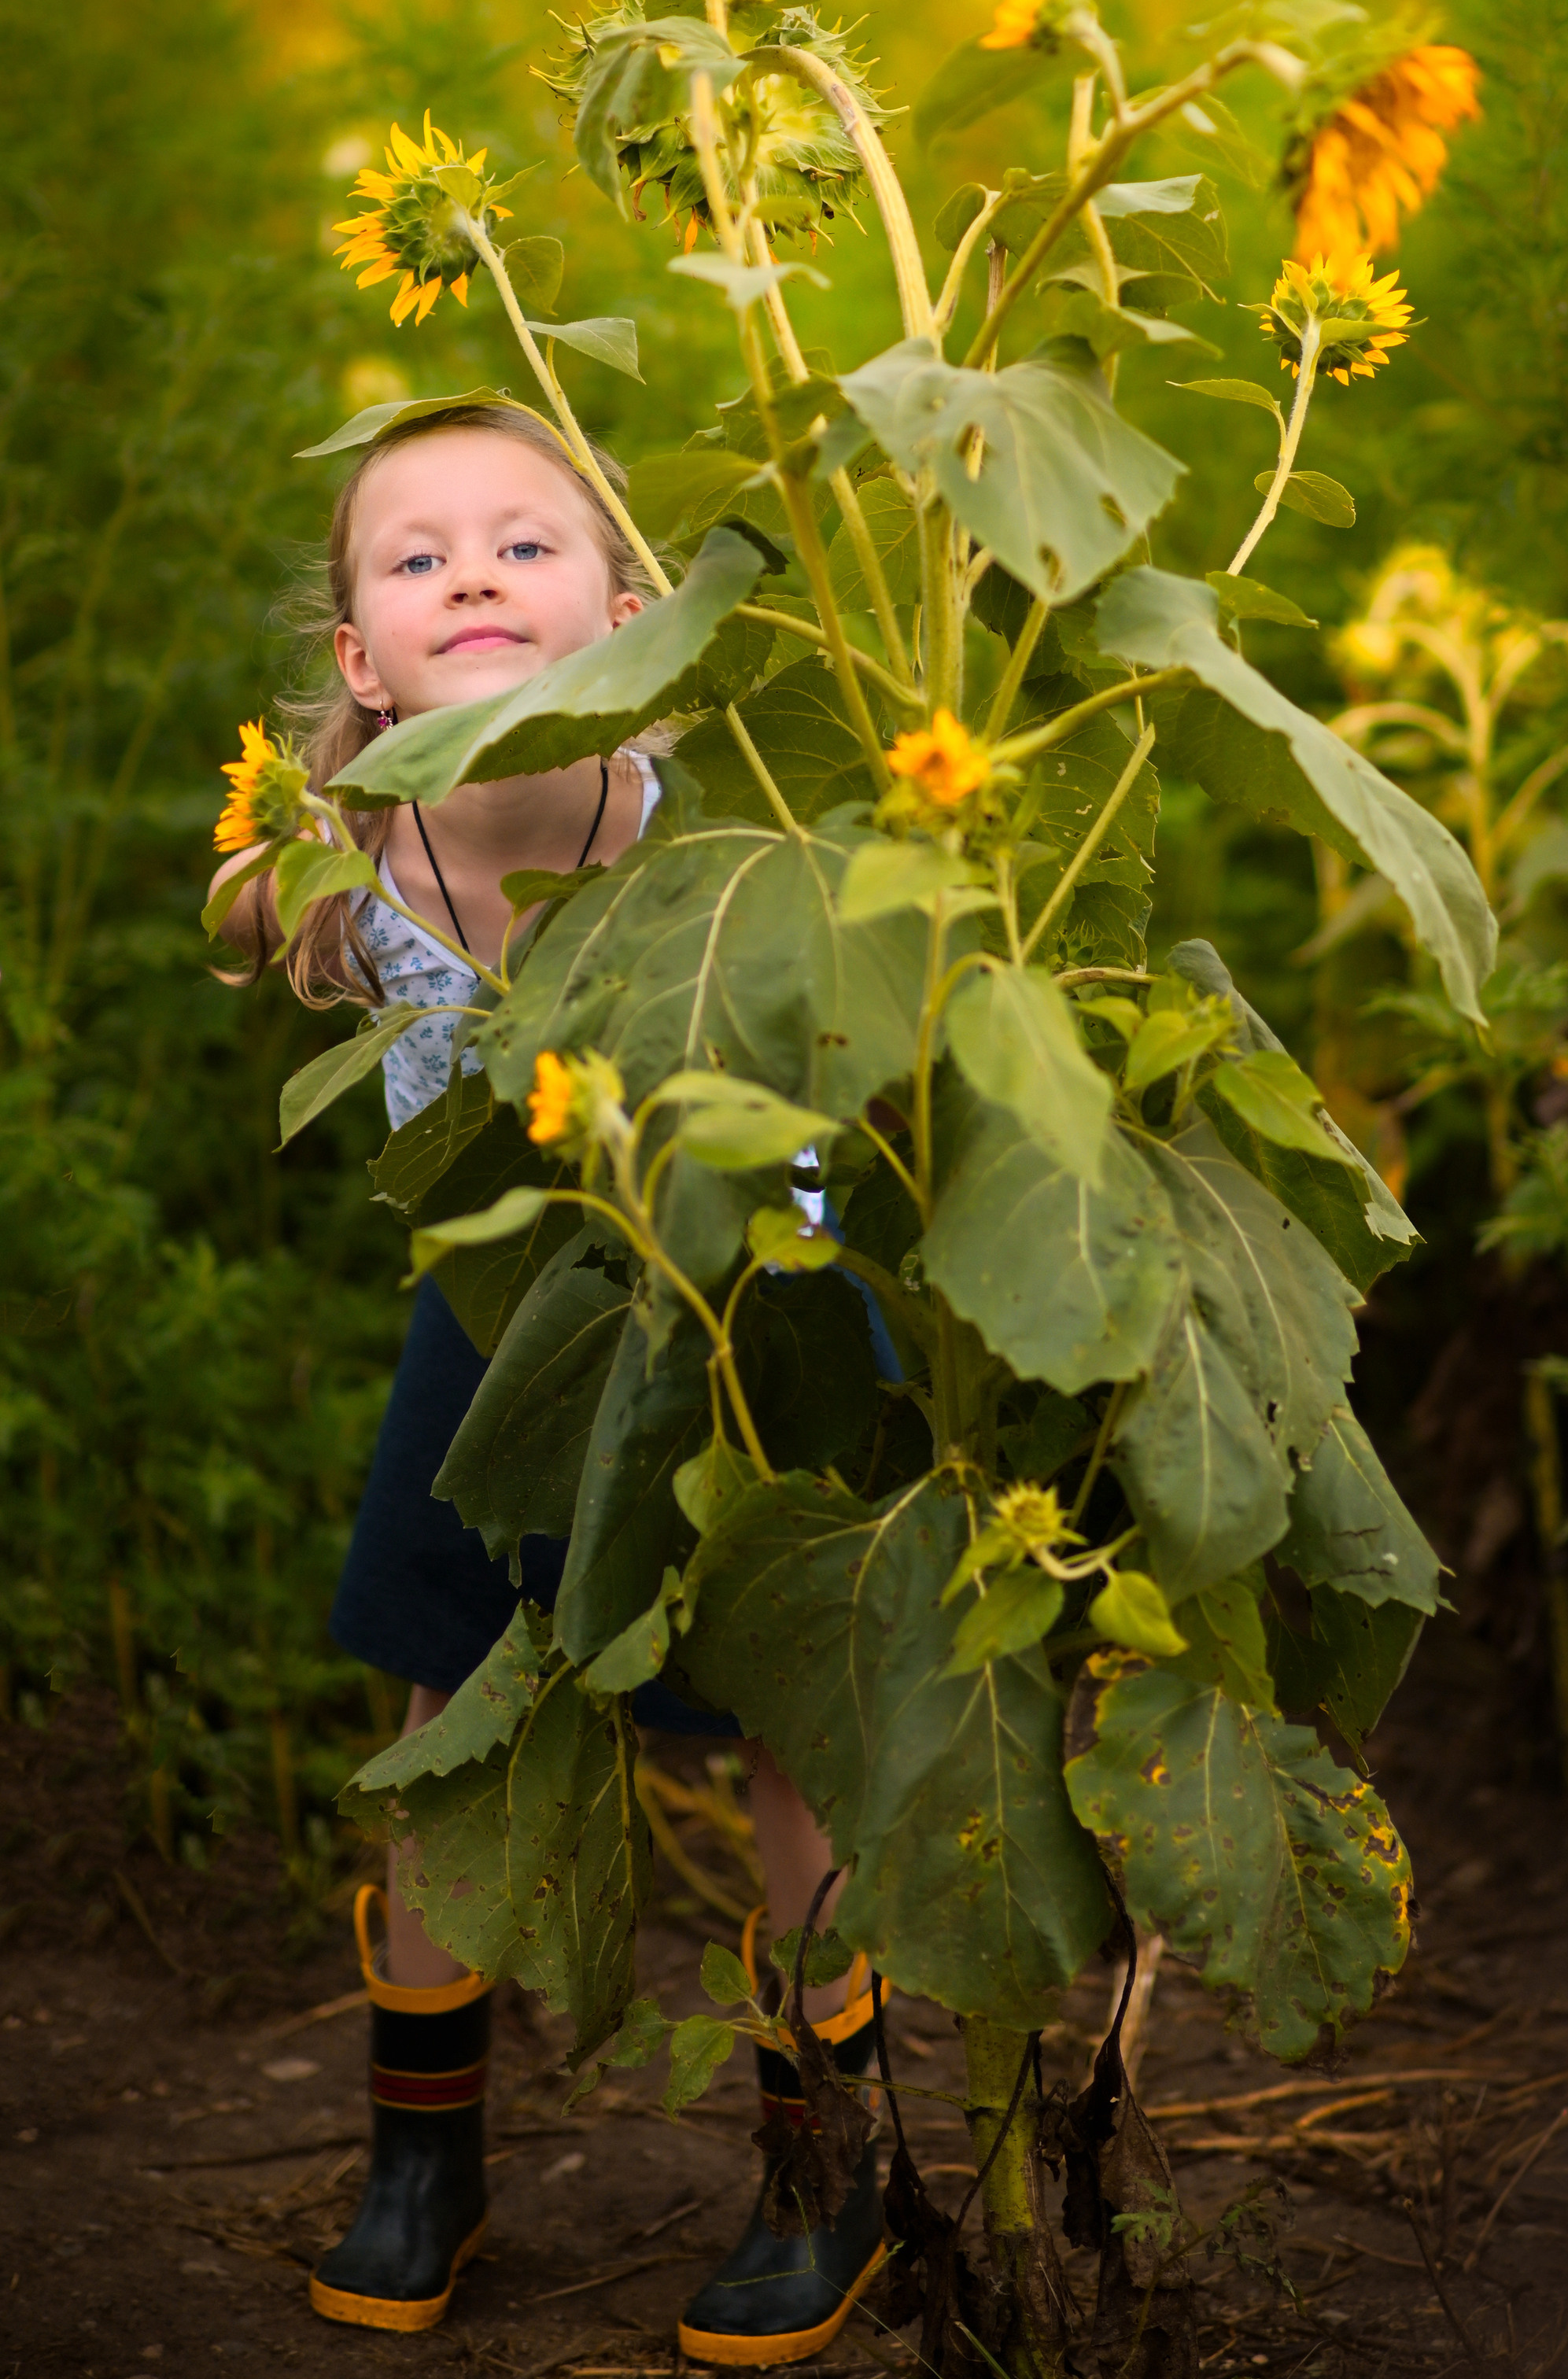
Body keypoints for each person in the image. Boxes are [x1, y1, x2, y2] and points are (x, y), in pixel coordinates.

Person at [208, 403, 888, 2359]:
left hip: (767, 1286)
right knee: (457, 1713)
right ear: (359, 660)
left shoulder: (708, 818)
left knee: (793, 1708)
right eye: (415, 559)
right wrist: (273, 859)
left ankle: (822, 2162)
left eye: (525, 540)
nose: (475, 575)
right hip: (509, 1317)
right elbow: (250, 915)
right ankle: (425, 2154)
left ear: (628, 607)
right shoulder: (361, 852)